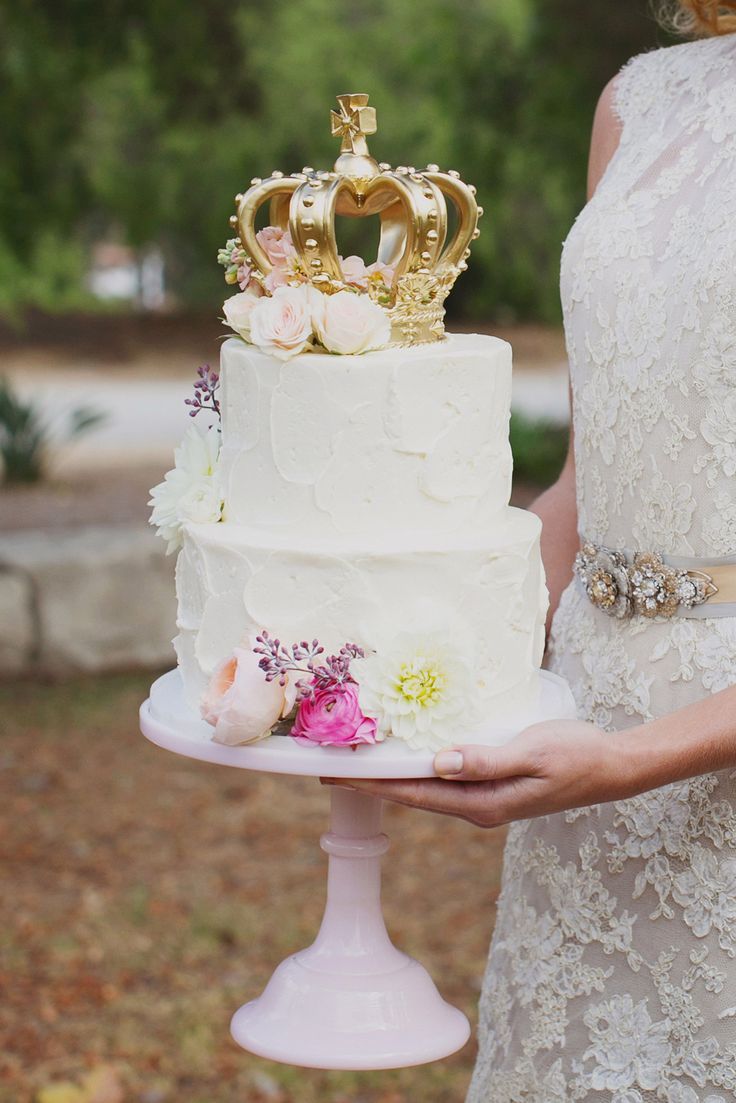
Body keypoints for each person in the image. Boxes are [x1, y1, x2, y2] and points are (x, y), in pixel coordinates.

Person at [324, 2, 736, 1098]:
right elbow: (588, 468)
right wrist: (418, 671)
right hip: (585, 735)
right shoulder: (638, 99)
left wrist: (637, 757)